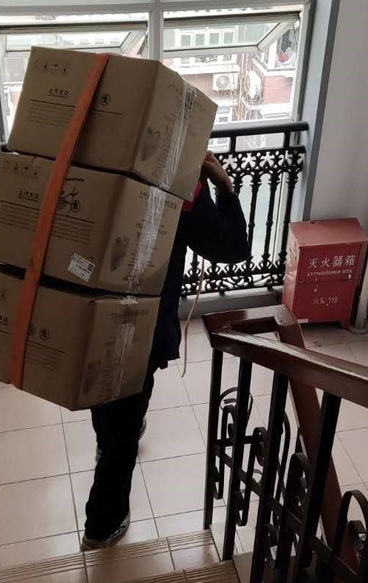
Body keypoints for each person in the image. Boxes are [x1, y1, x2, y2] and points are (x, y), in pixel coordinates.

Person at [82, 151, 251, 549]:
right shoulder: (175, 184)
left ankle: (108, 437)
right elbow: (231, 246)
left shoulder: (84, 163)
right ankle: (101, 526)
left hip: (82, 315)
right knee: (123, 429)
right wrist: (225, 187)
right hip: (137, 329)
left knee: (102, 393)